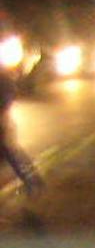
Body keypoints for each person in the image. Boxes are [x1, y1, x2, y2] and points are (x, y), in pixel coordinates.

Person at [0, 68, 44, 196]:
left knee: (11, 154)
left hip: (2, 122)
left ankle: (32, 182)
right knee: (12, 153)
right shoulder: (4, 78)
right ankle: (34, 180)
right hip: (4, 121)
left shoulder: (3, 79)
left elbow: (7, 95)